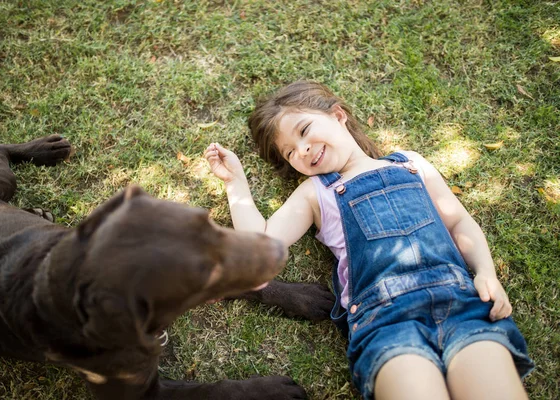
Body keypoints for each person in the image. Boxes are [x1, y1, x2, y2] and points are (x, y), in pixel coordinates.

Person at [204, 81, 534, 400]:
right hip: (386, 321)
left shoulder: (411, 164)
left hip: (462, 302)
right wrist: (235, 183)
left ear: (338, 115)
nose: (302, 150)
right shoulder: (316, 194)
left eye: (304, 131)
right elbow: (260, 244)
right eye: (290, 152)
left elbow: (458, 220)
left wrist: (486, 272)